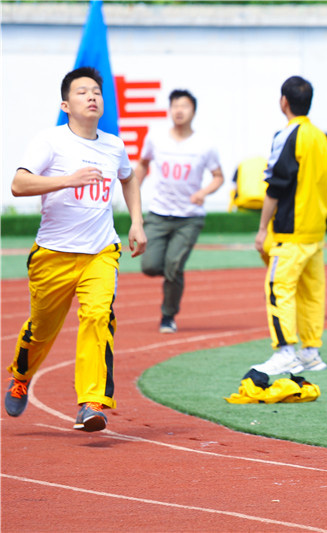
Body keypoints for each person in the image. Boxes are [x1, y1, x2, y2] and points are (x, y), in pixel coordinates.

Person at [4, 66, 147, 432]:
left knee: (99, 317)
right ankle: (21, 375)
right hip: (53, 254)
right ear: (66, 104)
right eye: (83, 91)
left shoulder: (113, 145)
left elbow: (129, 180)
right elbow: (19, 184)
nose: (93, 96)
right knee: (41, 328)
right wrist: (68, 180)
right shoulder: (50, 141)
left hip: (100, 251)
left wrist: (136, 221)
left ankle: (91, 403)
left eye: (97, 91)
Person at [252, 76, 327, 375]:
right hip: (315, 231)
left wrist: (262, 228)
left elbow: (276, 184)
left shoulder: (288, 135)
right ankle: (310, 351)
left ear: (283, 101)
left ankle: (285, 351)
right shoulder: (321, 137)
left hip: (290, 231)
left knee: (279, 288)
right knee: (312, 293)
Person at [135, 89, 224, 333]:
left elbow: (218, 177)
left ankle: (168, 316)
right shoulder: (156, 139)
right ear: (169, 109)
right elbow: (142, 166)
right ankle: (173, 273)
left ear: (193, 111)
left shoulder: (204, 145)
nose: (179, 110)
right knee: (150, 266)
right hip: (159, 213)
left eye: (184, 105)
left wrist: (203, 193)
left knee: (174, 266)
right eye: (175, 105)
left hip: (189, 218)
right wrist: (133, 196)